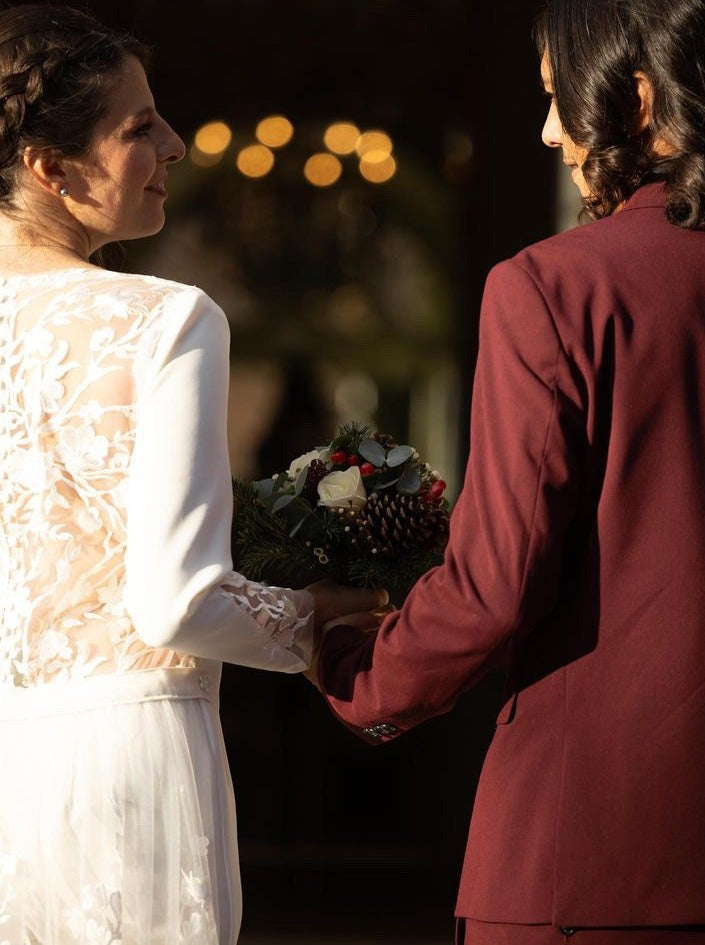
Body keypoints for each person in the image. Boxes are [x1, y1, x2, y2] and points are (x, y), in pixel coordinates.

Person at [314, 0, 705, 941]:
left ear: (638, 101)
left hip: (597, 856)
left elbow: (494, 584)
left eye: (556, 101)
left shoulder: (555, 286)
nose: (546, 132)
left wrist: (354, 671)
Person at [0, 5, 383, 943]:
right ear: (51, 169)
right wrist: (316, 618)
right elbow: (173, 602)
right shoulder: (166, 318)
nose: (174, 144)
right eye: (138, 128)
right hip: (126, 754)